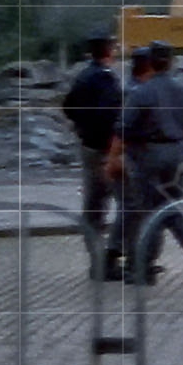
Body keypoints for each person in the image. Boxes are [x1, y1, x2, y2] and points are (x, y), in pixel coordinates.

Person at [105, 41, 183, 284]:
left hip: (149, 155)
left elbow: (123, 128)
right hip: (177, 153)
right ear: (171, 61)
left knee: (151, 211)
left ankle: (146, 266)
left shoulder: (142, 91)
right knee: (171, 207)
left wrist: (113, 159)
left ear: (150, 62)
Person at [60, 33, 123, 277]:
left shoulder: (84, 76)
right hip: (104, 150)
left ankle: (97, 261)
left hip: (87, 146)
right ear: (109, 50)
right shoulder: (106, 79)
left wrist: (81, 126)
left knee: (93, 207)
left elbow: (68, 106)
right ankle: (107, 261)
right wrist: (112, 148)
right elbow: (110, 115)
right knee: (126, 203)